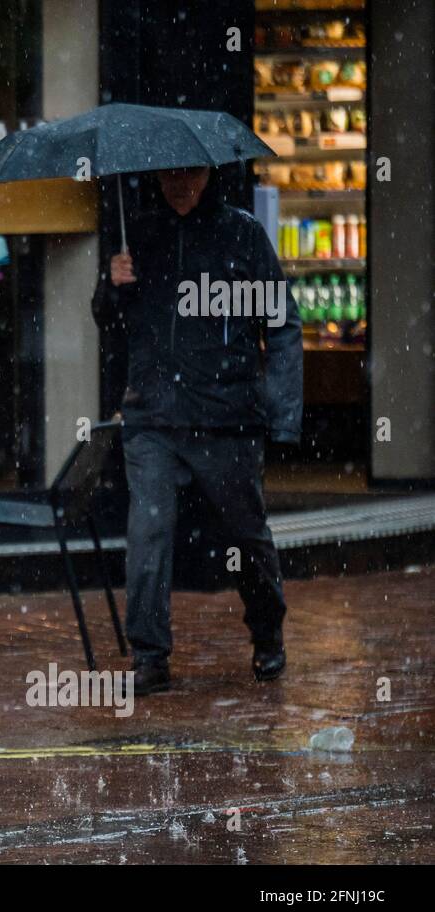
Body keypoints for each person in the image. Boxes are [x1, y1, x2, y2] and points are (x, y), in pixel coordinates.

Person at [92, 166, 303, 695]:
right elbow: (110, 323)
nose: (179, 184)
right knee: (148, 533)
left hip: (226, 414)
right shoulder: (136, 234)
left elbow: (281, 323)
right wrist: (111, 287)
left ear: (208, 173)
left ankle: (266, 633)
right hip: (152, 416)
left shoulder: (242, 233)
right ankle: (149, 656)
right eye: (169, 176)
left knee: (246, 534)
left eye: (189, 174)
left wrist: (282, 416)